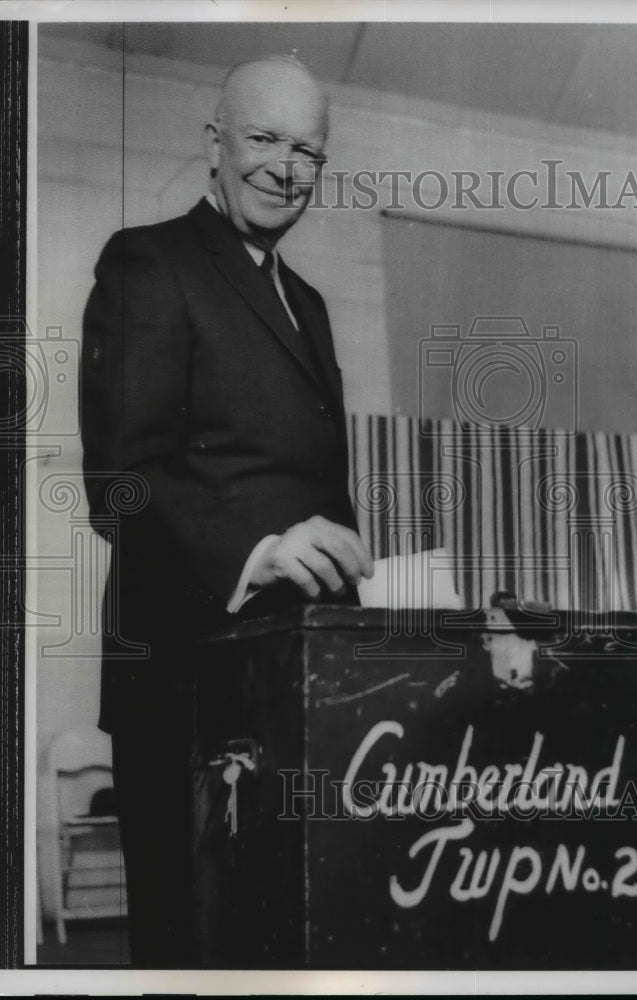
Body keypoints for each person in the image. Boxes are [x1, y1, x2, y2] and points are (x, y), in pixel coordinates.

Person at [80, 57, 373, 966]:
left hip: (297, 683)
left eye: (308, 152)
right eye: (264, 139)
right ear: (214, 142)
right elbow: (119, 484)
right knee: (191, 952)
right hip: (185, 687)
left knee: (295, 945)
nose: (286, 169)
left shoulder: (311, 306)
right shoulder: (147, 262)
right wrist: (262, 552)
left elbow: (318, 491)